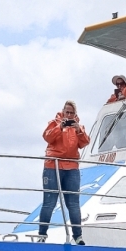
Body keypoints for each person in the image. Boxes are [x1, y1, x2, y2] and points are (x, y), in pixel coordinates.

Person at [38, 101, 91, 243]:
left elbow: (85, 143)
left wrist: (79, 130)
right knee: (49, 202)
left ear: (75, 114)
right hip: (52, 165)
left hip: (72, 167)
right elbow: (47, 137)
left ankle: (78, 236)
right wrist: (59, 127)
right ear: (62, 111)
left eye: (71, 113)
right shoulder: (53, 123)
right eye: (66, 112)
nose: (68, 115)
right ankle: (42, 235)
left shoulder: (79, 127)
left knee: (73, 203)